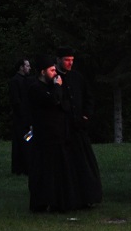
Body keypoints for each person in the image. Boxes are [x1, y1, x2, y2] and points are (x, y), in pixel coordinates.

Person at [27, 54, 86, 212]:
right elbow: (53, 101)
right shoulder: (35, 88)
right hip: (45, 138)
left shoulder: (50, 87)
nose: (55, 73)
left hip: (59, 136)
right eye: (52, 70)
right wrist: (57, 87)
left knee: (59, 173)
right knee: (44, 173)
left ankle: (59, 202)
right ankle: (42, 202)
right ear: (42, 72)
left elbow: (63, 103)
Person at [57, 47, 102, 207]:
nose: (70, 63)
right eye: (66, 60)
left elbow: (89, 97)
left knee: (84, 164)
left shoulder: (77, 77)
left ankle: (87, 197)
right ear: (59, 60)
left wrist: (85, 115)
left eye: (72, 60)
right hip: (64, 130)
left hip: (79, 128)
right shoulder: (54, 78)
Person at [8, 58, 33, 175]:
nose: (29, 68)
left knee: (27, 141)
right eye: (27, 66)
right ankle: (21, 167)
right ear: (21, 67)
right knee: (22, 142)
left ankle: (25, 166)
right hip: (21, 118)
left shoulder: (26, 80)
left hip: (27, 117)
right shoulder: (15, 81)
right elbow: (16, 101)